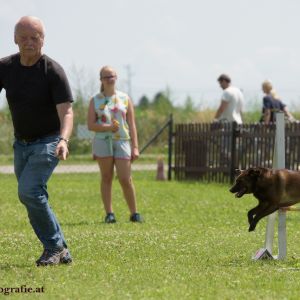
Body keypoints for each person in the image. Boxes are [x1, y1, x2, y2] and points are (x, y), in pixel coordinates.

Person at [0, 16, 73, 266]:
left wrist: (63, 139)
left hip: (49, 141)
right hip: (22, 144)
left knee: (29, 191)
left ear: (43, 39)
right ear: (15, 39)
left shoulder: (52, 70)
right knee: (32, 196)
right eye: (24, 38)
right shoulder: (5, 67)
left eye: (35, 37)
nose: (29, 42)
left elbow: (67, 112)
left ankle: (53, 247)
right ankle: (61, 249)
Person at [87, 66, 142, 223]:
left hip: (123, 141)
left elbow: (131, 124)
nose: (110, 79)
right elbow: (91, 125)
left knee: (125, 178)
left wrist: (136, 147)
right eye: (106, 77)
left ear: (116, 78)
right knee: (106, 177)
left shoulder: (125, 98)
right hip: (102, 142)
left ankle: (134, 213)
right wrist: (108, 128)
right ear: (101, 80)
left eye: (112, 76)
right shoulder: (95, 100)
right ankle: (109, 213)